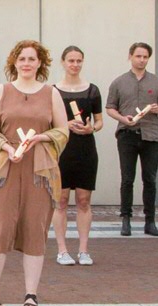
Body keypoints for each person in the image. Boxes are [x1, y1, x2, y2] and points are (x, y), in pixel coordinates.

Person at [0, 40, 69, 306]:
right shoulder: (0, 91)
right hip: (6, 168)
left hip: (39, 171)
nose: (26, 63)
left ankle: (31, 294)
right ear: (14, 62)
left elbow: (63, 131)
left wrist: (41, 137)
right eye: (22, 58)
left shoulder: (51, 93)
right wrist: (6, 146)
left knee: (34, 229)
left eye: (32, 59)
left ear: (40, 63)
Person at [105, 42, 158, 237]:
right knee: (127, 178)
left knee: (150, 179)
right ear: (130, 57)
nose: (141, 60)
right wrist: (122, 119)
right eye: (138, 56)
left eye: (145, 57)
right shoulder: (119, 82)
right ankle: (126, 220)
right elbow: (110, 108)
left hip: (151, 136)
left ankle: (150, 221)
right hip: (127, 134)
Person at [50, 46, 102, 266]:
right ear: (62, 62)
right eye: (71, 60)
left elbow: (99, 120)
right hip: (62, 150)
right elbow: (47, 121)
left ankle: (83, 250)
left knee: (83, 200)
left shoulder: (92, 90)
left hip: (85, 148)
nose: (75, 64)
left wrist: (92, 128)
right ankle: (62, 250)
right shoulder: (53, 91)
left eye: (79, 61)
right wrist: (65, 124)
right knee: (60, 200)